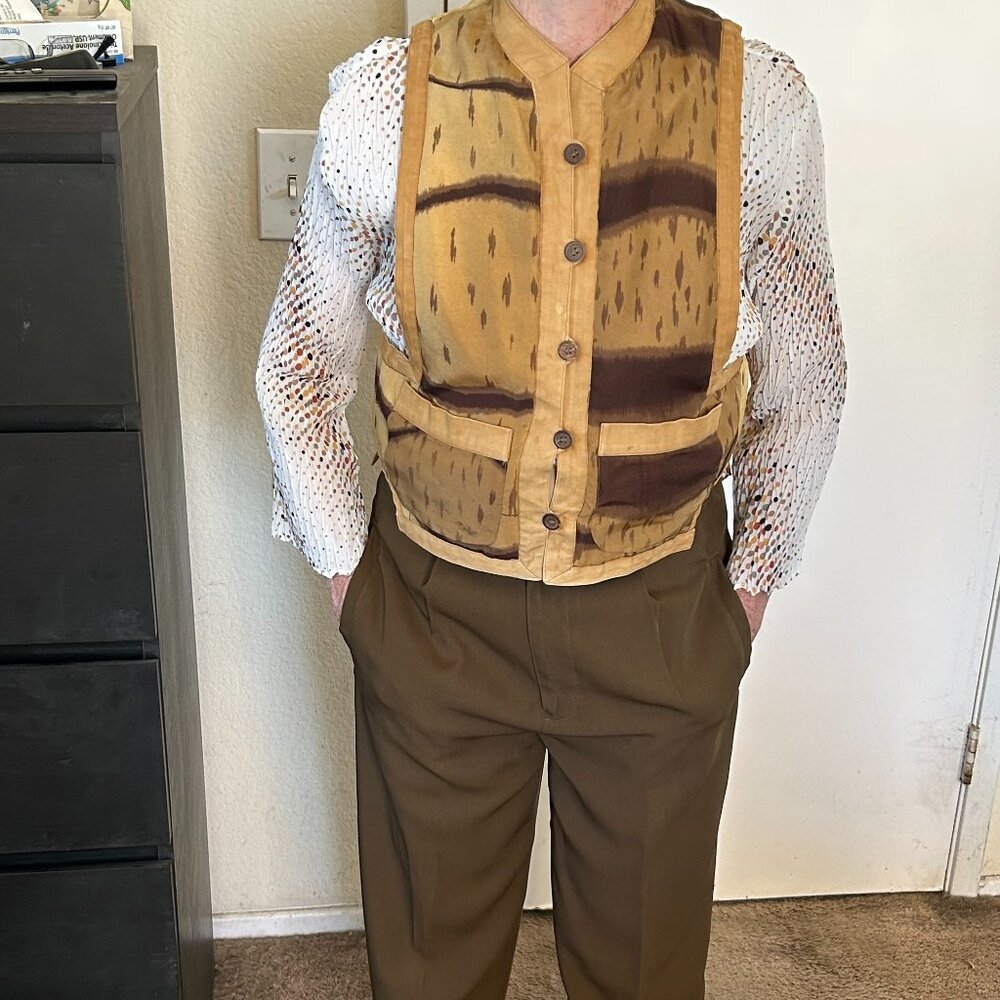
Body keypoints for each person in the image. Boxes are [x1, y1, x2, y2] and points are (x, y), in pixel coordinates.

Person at [254, 0, 847, 996]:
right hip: (433, 607)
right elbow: (298, 368)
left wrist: (744, 596)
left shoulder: (761, 102)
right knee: (429, 966)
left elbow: (809, 373)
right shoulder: (383, 99)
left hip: (659, 605)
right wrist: (354, 589)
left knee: (646, 968)